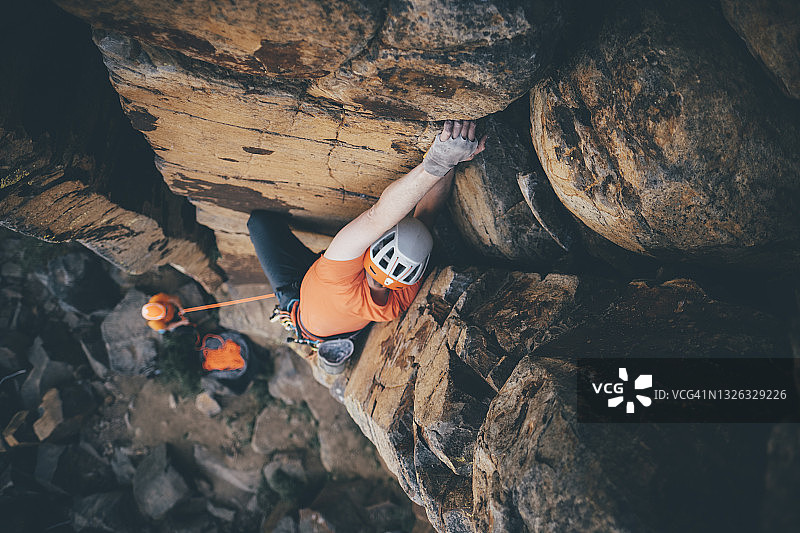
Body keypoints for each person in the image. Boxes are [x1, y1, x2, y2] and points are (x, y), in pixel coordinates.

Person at [247, 119, 486, 365]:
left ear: (371, 249)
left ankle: (325, 356)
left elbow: (379, 217)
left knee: (259, 222)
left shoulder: (345, 283)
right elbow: (426, 213)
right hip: (324, 302)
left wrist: (442, 160)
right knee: (259, 223)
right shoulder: (395, 301)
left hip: (302, 304)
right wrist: (448, 161)